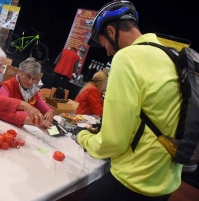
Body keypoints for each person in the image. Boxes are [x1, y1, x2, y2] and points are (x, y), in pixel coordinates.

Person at [75, 1, 183, 200]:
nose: (107, 51)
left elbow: (113, 142)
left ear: (111, 30)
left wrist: (82, 136)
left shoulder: (127, 57)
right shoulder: (170, 55)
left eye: (104, 43)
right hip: (166, 183)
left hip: (134, 179)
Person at [0, 57, 54, 124]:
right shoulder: (6, 87)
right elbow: (1, 110)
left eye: (34, 79)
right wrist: (29, 117)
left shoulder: (33, 91)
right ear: (19, 72)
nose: (30, 82)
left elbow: (46, 109)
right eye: (28, 77)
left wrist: (50, 112)